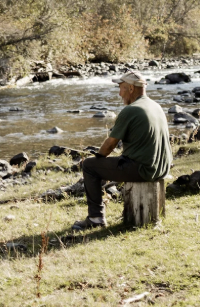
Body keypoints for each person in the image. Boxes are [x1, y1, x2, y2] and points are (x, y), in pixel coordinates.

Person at [72, 70, 172, 230]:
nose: (119, 94)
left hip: (144, 170)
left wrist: (99, 159)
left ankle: (95, 218)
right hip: (162, 168)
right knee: (104, 164)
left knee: (89, 166)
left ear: (131, 88)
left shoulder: (131, 110)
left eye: (121, 88)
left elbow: (110, 145)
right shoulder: (156, 106)